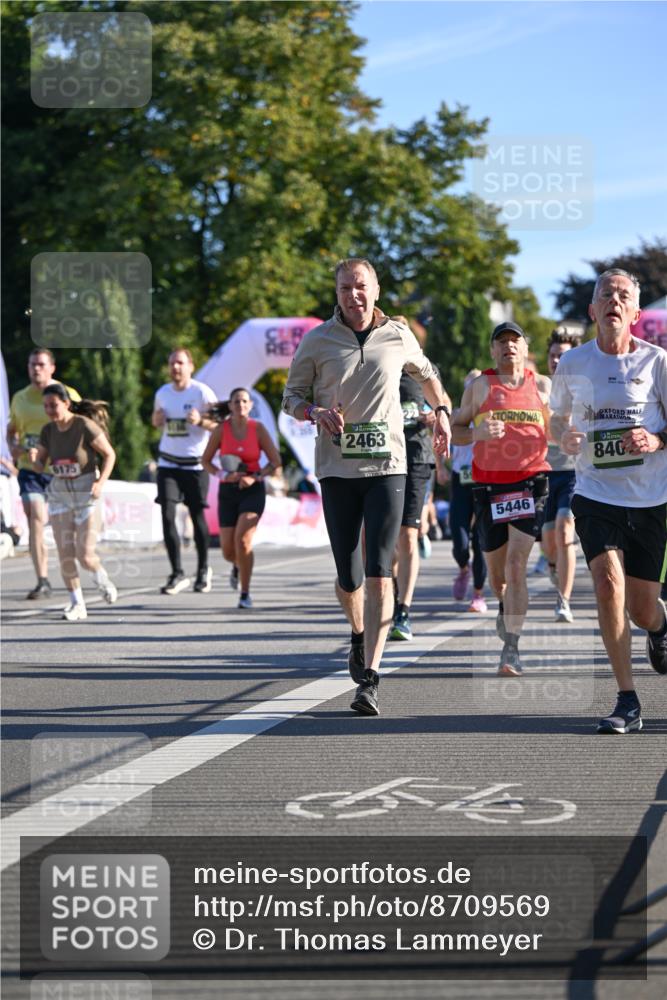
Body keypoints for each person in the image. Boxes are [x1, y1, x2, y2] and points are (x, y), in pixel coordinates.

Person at [282, 257, 451, 715]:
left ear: (375, 289)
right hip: (337, 469)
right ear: (335, 293)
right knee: (348, 574)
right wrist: (312, 413)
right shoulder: (317, 340)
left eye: (360, 286)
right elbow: (290, 397)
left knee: (380, 570)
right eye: (343, 288)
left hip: (388, 466)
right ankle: (358, 634)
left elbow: (428, 376)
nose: (352, 295)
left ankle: (371, 678)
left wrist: (443, 414)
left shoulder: (397, 334)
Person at [550, 268, 667, 734]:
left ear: (636, 313)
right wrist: (567, 437)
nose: (614, 301)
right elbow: (556, 422)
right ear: (592, 309)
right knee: (606, 584)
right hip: (595, 493)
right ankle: (627, 698)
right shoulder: (573, 364)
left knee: (641, 608)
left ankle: (659, 628)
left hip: (651, 498)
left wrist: (655, 442)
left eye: (623, 296)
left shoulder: (657, 362)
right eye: (606, 294)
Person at [451, 321, 551, 676]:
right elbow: (455, 428)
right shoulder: (480, 386)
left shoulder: (542, 386)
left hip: (531, 481)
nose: (509, 346)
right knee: (498, 576)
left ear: (525, 348)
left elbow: (559, 429)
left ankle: (512, 647)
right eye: (501, 341)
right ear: (493, 350)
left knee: (517, 565)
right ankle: (501, 605)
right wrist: (476, 431)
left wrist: (569, 435)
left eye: (515, 340)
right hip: (489, 486)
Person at [28, 384, 117, 621]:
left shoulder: (84, 426)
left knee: (85, 555)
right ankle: (77, 603)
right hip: (60, 495)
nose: (50, 410)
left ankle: (100, 576)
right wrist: (35, 460)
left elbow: (110, 454)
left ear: (66, 403)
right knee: (65, 554)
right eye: (46, 406)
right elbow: (39, 467)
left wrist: (100, 483)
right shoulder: (48, 430)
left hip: (86, 493)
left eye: (54, 405)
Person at [388, 317, 451, 642]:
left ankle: (403, 609)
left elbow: (445, 406)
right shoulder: (375, 368)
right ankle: (390, 593)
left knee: (407, 536)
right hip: (381, 459)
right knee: (384, 542)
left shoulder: (424, 369)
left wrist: (436, 414)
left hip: (416, 456)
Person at [7, 349, 80, 599]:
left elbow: (84, 429)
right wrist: (13, 447)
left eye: (40, 364)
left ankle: (76, 573)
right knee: (35, 516)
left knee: (68, 530)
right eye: (31, 365)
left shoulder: (67, 395)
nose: (35, 369)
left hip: (62, 471)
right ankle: (43, 580)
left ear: (52, 368)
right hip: (31, 469)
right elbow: (12, 430)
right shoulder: (19, 398)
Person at [202, 387, 283, 609]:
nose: (240, 405)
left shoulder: (258, 429)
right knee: (228, 551)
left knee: (244, 540)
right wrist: (224, 475)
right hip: (228, 491)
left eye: (244, 401)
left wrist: (255, 477)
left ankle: (245, 593)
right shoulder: (221, 430)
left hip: (252, 489)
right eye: (236, 401)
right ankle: (237, 566)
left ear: (250, 405)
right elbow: (206, 461)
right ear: (230, 406)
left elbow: (276, 462)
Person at [152, 348, 217, 595]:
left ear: (190, 365)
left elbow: (218, 425)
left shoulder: (201, 392)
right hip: (168, 462)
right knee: (167, 514)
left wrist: (201, 421)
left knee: (197, 515)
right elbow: (156, 421)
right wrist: (157, 420)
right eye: (172, 363)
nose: (175, 367)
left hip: (195, 464)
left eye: (180, 363)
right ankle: (177, 573)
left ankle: (203, 570)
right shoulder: (162, 393)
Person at [542, 328, 582, 623]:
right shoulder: (537, 388)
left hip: (572, 471)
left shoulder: (584, 388)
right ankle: (554, 566)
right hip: (543, 472)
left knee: (565, 530)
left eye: (564, 356)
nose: (558, 361)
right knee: (548, 541)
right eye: (554, 355)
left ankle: (564, 600)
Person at [446, 369, 488, 613]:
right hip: (460, 479)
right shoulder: (456, 416)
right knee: (459, 539)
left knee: (480, 538)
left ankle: (479, 594)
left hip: (484, 479)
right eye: (469, 387)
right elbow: (440, 441)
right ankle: (464, 568)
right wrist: (441, 466)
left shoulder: (490, 416)